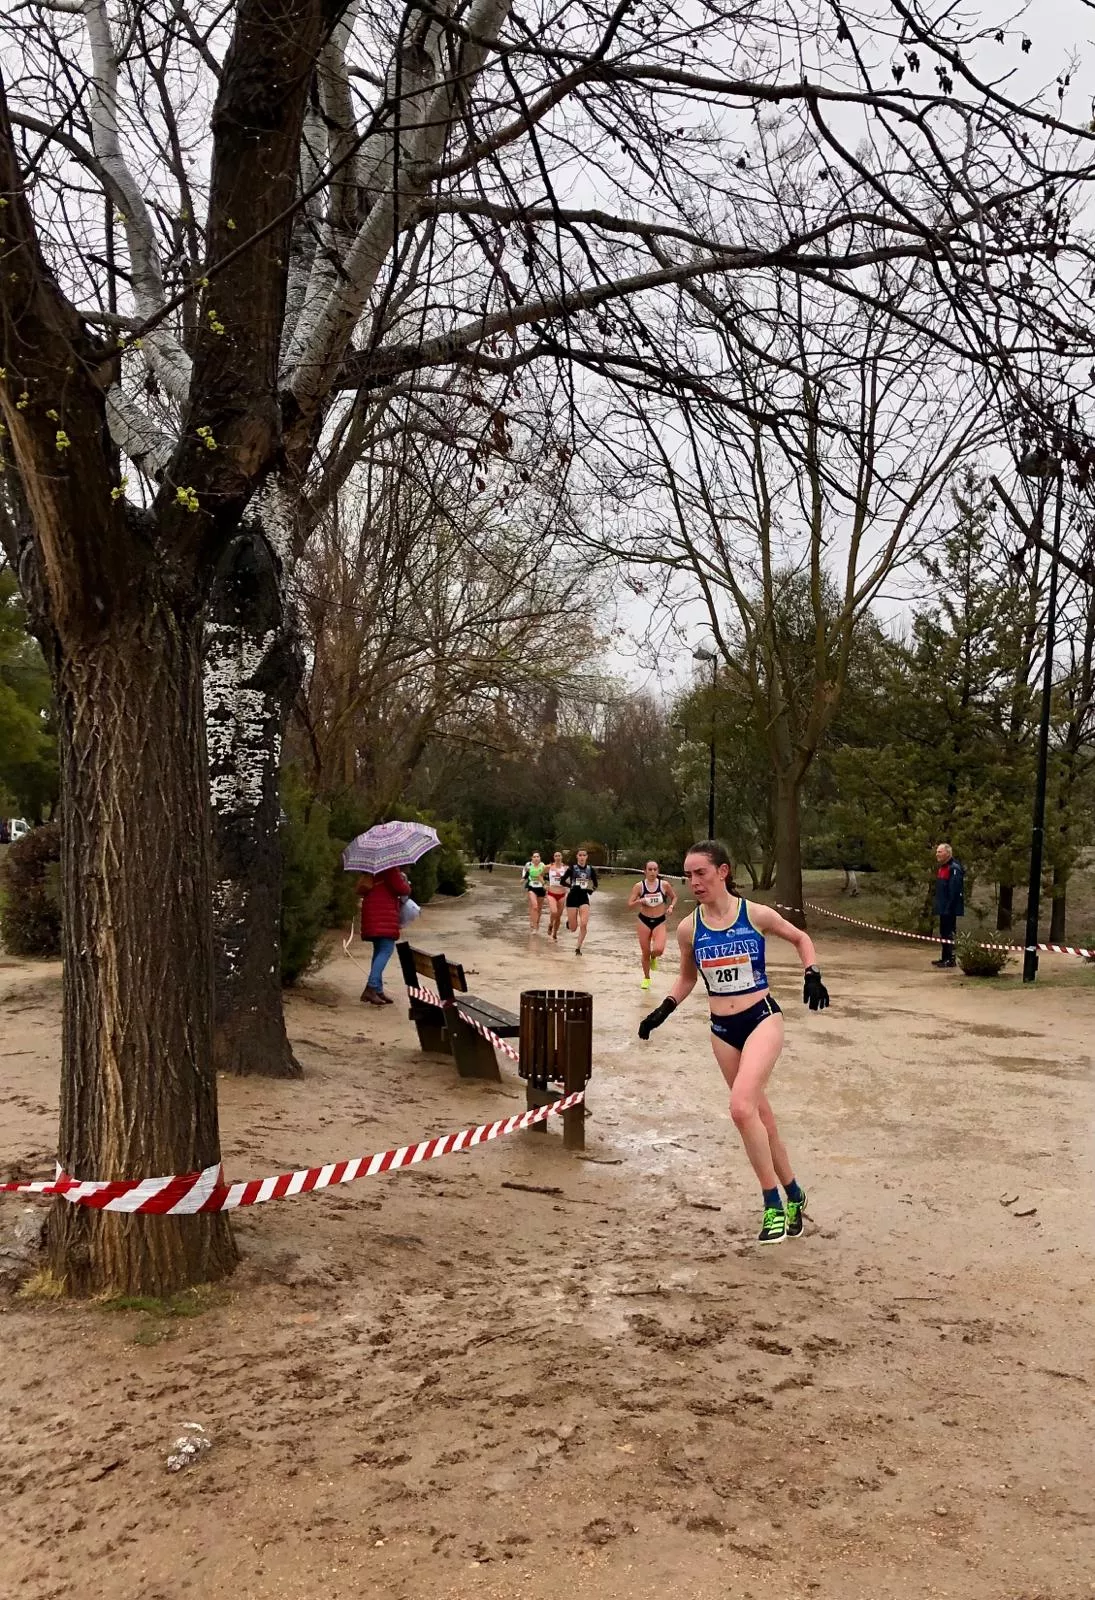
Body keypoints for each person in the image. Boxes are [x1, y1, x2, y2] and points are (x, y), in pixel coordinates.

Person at [637, 839, 829, 1245]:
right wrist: (664, 1009)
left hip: (762, 1019)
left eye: (700, 873)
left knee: (742, 1109)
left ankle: (772, 1204)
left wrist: (811, 972)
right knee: (762, 1118)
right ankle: (795, 1193)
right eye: (688, 875)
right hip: (722, 1031)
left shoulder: (755, 914)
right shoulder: (689, 928)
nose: (693, 882)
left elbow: (801, 939)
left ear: (722, 871)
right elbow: (688, 978)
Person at [357, 866, 412, 1005]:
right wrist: (405, 882)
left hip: (372, 910)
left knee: (379, 951)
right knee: (386, 949)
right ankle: (371, 987)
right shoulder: (390, 868)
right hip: (384, 913)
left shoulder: (371, 868)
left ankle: (378, 990)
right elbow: (402, 889)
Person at [627, 861, 678, 989]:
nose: (652, 872)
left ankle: (654, 957)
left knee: (658, 949)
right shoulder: (639, 886)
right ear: (645, 871)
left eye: (655, 869)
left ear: (658, 871)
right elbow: (630, 904)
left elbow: (674, 897)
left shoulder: (664, 885)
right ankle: (646, 978)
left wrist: (671, 907)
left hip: (660, 920)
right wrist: (640, 900)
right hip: (643, 921)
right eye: (650, 869)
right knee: (645, 952)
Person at [932, 841, 965, 968]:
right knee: (943, 932)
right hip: (943, 906)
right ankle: (945, 957)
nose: (937, 854)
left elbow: (954, 890)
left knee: (949, 932)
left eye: (939, 852)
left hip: (949, 907)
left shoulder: (954, 868)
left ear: (947, 853)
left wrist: (949, 907)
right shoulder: (942, 867)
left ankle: (950, 958)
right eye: (937, 852)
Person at [561, 848, 599, 955]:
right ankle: (570, 921)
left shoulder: (590, 869)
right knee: (573, 928)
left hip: (583, 897)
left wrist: (592, 889)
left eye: (584, 855)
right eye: (580, 855)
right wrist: (571, 885)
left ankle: (578, 948)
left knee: (584, 923)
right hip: (572, 897)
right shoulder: (572, 868)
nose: (582, 857)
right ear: (577, 857)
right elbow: (562, 881)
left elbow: (595, 883)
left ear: (587, 857)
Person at [522, 851, 548, 931]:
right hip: (532, 888)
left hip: (541, 888)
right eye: (534, 857)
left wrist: (546, 885)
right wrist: (523, 878)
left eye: (537, 857)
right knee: (534, 906)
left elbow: (547, 877)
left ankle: (536, 923)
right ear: (532, 858)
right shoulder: (529, 866)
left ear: (540, 858)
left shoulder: (543, 866)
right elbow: (526, 874)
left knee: (539, 908)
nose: (536, 858)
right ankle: (533, 923)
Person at [546, 850, 568, 940]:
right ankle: (551, 924)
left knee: (559, 916)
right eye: (556, 856)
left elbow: (572, 878)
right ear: (554, 857)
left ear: (562, 857)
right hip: (551, 893)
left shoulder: (566, 868)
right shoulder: (549, 867)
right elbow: (539, 875)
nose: (558, 857)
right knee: (554, 912)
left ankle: (555, 934)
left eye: (559, 855)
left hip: (562, 894)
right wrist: (544, 884)